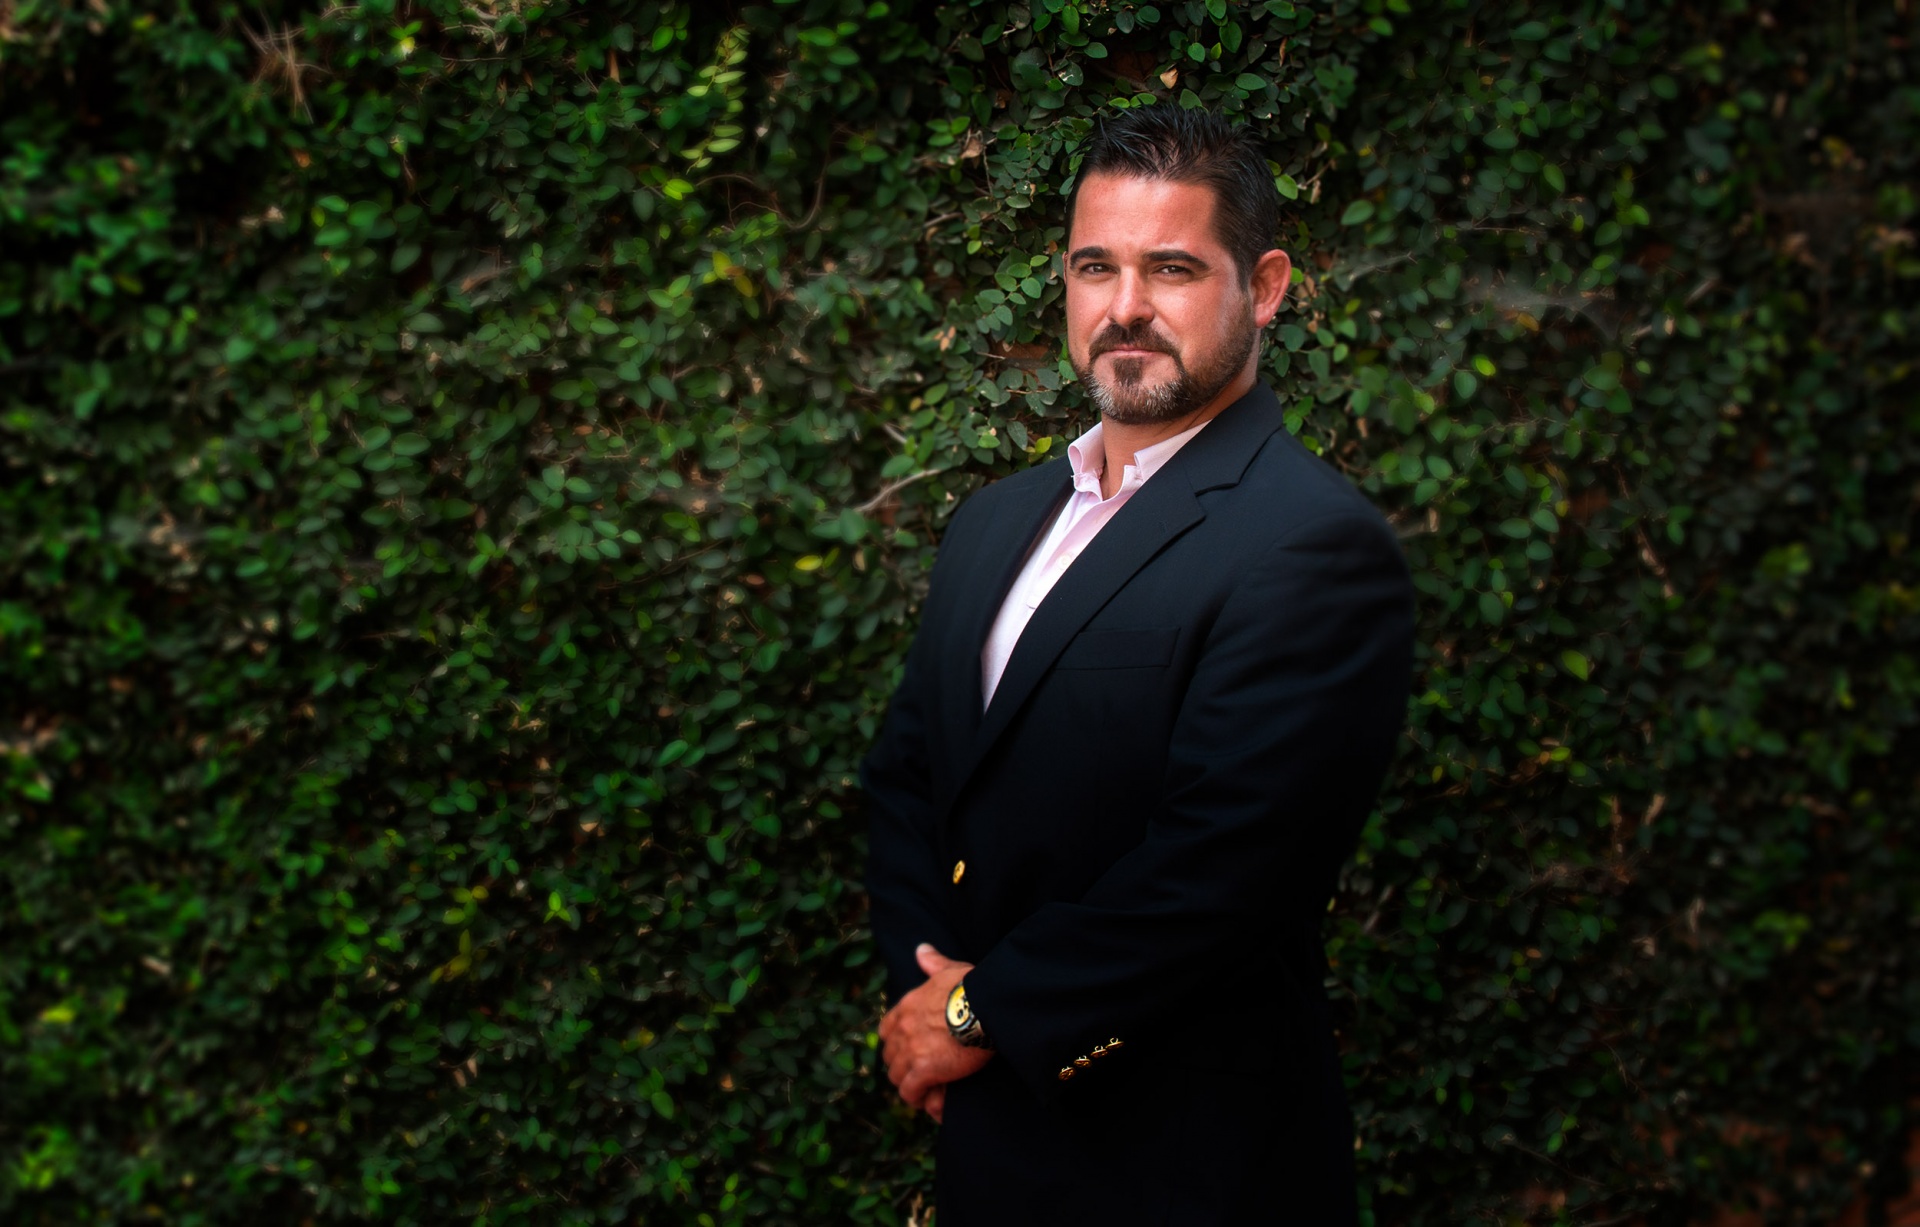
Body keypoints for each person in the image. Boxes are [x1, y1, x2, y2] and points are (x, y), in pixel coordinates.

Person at [862, 105, 1415, 1225]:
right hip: (990, 1145)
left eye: (1170, 269)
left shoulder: (1311, 543)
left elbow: (1224, 874)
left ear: (1263, 288)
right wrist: (924, 991)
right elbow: (910, 778)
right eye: (1093, 266)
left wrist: (979, 1018)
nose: (1124, 308)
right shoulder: (991, 523)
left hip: (1187, 1168)